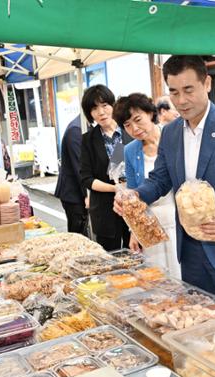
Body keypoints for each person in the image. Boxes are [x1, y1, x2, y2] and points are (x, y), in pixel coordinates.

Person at [115, 56, 215, 308]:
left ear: (206, 83)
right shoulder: (172, 132)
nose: (181, 100)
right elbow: (160, 180)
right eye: (173, 92)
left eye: (188, 90)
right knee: (198, 329)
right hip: (190, 254)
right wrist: (135, 196)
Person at [114, 93, 181, 279]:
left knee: (182, 273)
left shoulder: (173, 137)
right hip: (151, 224)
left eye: (138, 119)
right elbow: (134, 191)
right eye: (127, 125)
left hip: (178, 219)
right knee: (158, 277)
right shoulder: (129, 151)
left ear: (151, 113)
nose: (134, 128)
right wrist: (135, 232)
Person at [80, 85, 133, 250]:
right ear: (90, 113)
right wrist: (115, 188)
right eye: (94, 108)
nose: (101, 112)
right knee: (111, 258)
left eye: (105, 105)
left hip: (134, 204)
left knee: (139, 256)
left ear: (113, 105)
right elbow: (86, 179)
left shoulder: (131, 131)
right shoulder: (88, 140)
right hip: (105, 210)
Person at [55, 115, 90, 236]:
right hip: (75, 194)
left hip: (94, 192)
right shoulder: (76, 130)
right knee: (80, 237)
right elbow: (80, 167)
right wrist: (87, 194)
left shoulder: (115, 130)